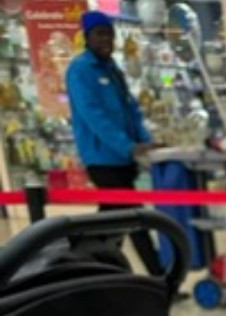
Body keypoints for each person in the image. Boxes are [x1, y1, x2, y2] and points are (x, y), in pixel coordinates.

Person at [65, 11, 164, 278]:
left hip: (124, 158)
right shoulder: (80, 70)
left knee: (111, 220)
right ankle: (160, 277)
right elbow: (94, 116)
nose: (106, 39)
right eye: (99, 34)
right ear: (87, 38)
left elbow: (132, 110)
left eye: (109, 33)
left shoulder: (113, 70)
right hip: (101, 158)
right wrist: (127, 146)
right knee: (134, 217)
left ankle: (87, 268)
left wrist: (144, 141)